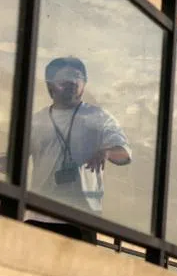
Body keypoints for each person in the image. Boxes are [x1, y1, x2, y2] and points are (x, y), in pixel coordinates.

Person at [25, 56, 131, 242]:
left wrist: (106, 152)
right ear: (50, 86)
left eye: (77, 77)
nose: (72, 82)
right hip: (39, 216)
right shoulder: (36, 121)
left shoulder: (98, 117)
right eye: (65, 78)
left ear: (84, 84)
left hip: (82, 218)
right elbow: (14, 159)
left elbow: (124, 154)